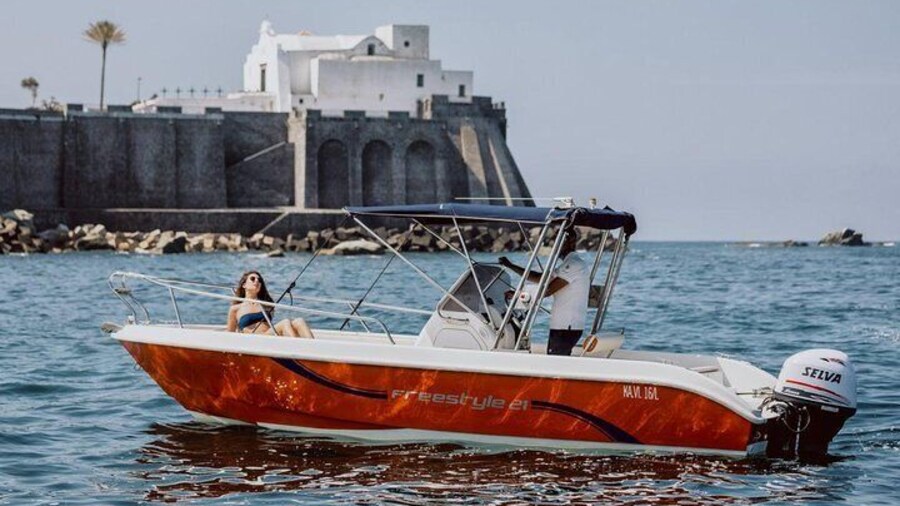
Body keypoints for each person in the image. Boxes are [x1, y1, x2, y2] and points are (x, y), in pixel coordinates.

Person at [498, 227, 589, 356]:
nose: (555, 245)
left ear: (570, 242)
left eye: (559, 241)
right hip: (565, 326)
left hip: (566, 326)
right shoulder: (569, 264)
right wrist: (511, 266)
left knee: (555, 362)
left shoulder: (573, 265)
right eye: (555, 241)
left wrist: (518, 295)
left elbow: (547, 290)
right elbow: (540, 278)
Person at [226, 271, 314, 338]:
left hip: (269, 338)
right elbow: (230, 335)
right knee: (285, 322)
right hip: (254, 340)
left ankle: (313, 350)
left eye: (259, 280)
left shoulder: (266, 305)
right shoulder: (235, 309)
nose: (256, 281)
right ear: (244, 285)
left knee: (299, 321)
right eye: (253, 279)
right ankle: (297, 350)